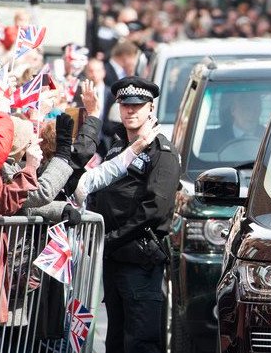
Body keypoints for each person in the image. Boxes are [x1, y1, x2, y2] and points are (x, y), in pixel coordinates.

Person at [87, 76, 179, 353]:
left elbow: (154, 209)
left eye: (138, 105)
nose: (130, 111)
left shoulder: (161, 152)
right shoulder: (117, 149)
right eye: (125, 105)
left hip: (140, 260)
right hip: (115, 259)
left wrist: (111, 238)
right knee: (115, 339)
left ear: (151, 108)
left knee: (140, 341)